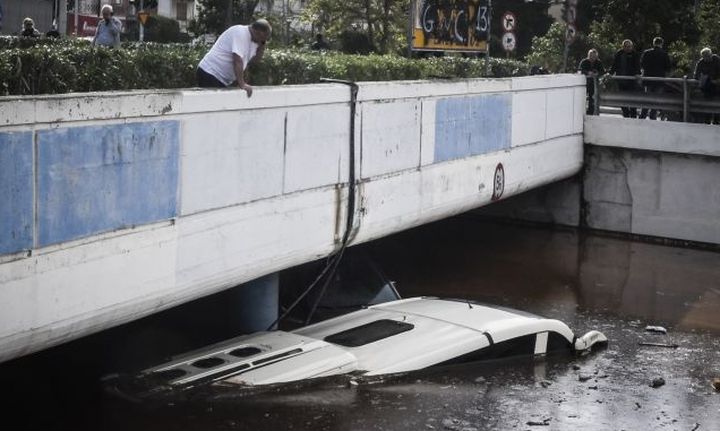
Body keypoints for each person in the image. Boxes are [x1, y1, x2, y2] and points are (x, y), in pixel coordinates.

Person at [196, 19, 272, 98]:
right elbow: (237, 60)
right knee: (214, 105)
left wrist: (261, 48)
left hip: (221, 79)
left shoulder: (256, 41)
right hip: (210, 72)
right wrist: (242, 84)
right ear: (257, 32)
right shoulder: (240, 33)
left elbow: (252, 62)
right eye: (264, 38)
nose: (264, 41)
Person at [639, 37, 671, 120]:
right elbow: (668, 68)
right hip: (659, 80)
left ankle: (643, 115)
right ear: (661, 44)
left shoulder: (647, 53)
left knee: (647, 99)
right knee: (656, 99)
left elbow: (642, 64)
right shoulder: (664, 54)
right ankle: (652, 116)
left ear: (654, 43)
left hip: (648, 79)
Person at [609, 39, 641, 118]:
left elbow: (637, 65)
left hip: (631, 81)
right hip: (621, 81)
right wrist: (610, 73)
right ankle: (626, 114)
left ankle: (633, 116)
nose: (627, 48)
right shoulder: (619, 54)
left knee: (632, 100)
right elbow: (614, 65)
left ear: (632, 47)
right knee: (622, 99)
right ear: (623, 47)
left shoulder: (635, 54)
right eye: (626, 46)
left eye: (629, 46)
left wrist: (638, 74)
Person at [693, 47, 720, 124]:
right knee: (708, 103)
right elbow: (696, 75)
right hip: (707, 87)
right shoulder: (701, 63)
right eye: (704, 57)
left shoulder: (717, 60)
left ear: (711, 54)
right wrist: (703, 78)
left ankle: (716, 120)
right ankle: (707, 119)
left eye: (708, 56)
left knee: (717, 103)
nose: (707, 58)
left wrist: (717, 80)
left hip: (717, 86)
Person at [578, 49, 605, 115]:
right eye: (591, 56)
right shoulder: (584, 62)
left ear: (596, 56)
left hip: (594, 84)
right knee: (582, 98)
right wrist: (588, 72)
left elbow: (602, 72)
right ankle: (581, 112)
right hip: (584, 83)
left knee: (592, 98)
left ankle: (590, 113)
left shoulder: (598, 62)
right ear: (588, 55)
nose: (592, 58)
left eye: (594, 56)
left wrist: (597, 74)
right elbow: (579, 70)